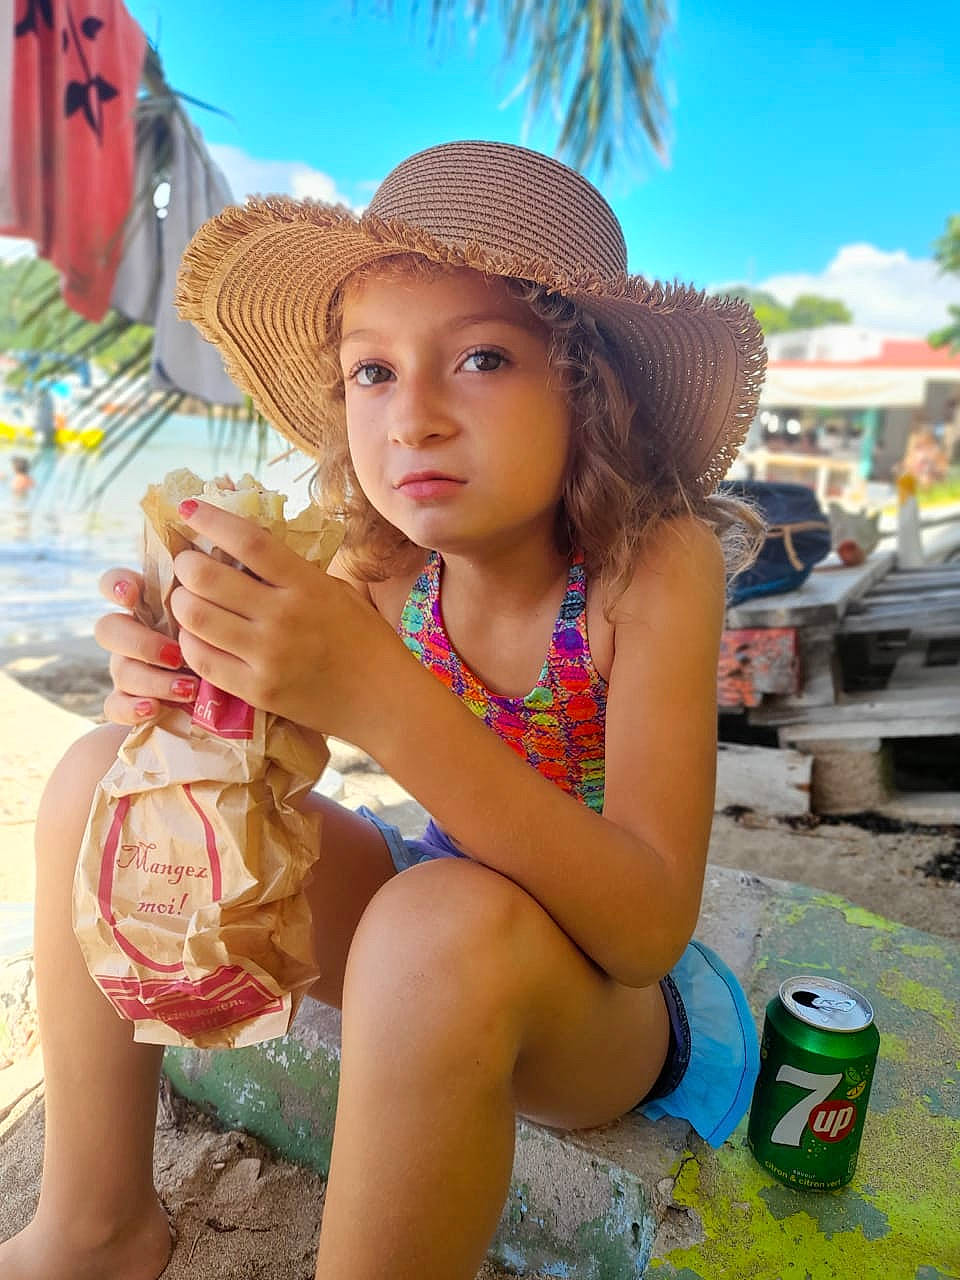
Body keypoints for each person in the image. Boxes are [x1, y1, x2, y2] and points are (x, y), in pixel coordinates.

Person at [0, 140, 766, 1280]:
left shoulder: (649, 566)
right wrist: (182, 690)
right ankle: (97, 1221)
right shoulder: (373, 568)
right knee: (101, 772)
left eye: (484, 358)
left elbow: (646, 922)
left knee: (438, 917)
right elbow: (260, 767)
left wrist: (381, 697)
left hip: (602, 1006)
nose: (414, 417)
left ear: (590, 392)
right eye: (372, 372)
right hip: (429, 924)